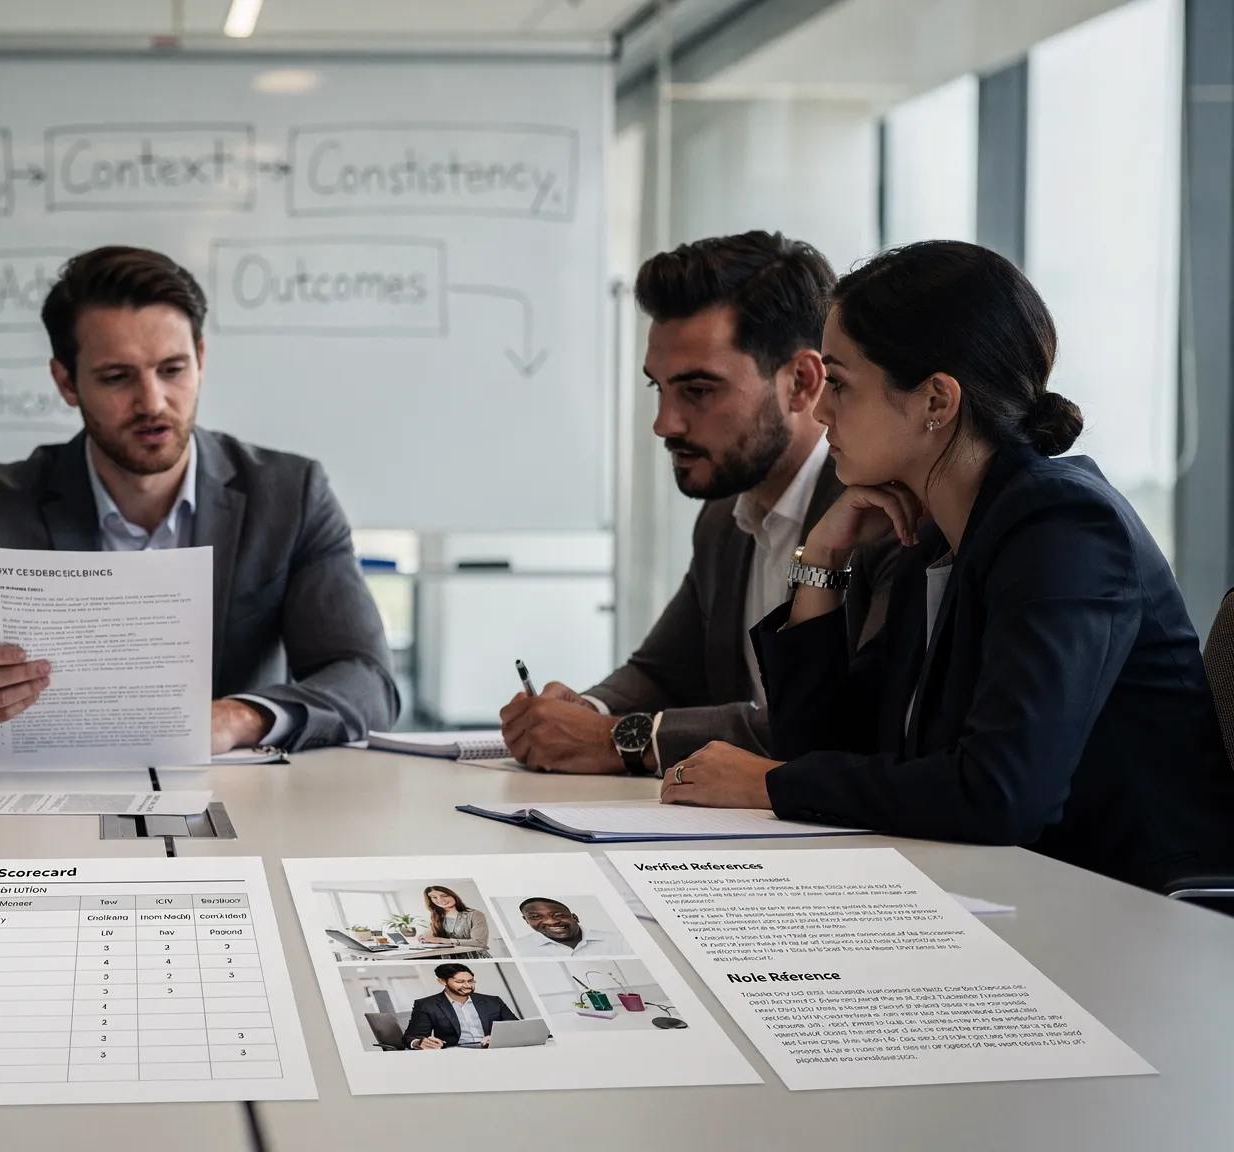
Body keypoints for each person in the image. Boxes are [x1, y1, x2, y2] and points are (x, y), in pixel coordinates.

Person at [660, 240, 1234, 893]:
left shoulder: (1066, 530)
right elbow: (826, 750)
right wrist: (821, 560)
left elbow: (1002, 792)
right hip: (1009, 891)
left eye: (841, 384)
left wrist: (766, 782)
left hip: (1137, 914)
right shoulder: (934, 534)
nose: (820, 411)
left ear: (936, 401)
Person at [0, 245, 399, 754]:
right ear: (66, 382)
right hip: (46, 809)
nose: (152, 403)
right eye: (117, 377)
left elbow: (366, 680)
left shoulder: (289, 495)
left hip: (243, 800)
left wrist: (238, 717)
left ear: (201, 359)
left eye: (172, 370)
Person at [500, 233, 895, 776]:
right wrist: (577, 714)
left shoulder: (878, 517)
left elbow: (839, 729)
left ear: (802, 383)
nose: (665, 423)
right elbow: (663, 672)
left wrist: (618, 739)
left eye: (699, 391)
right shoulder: (724, 517)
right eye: (658, 389)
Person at [403, 964, 520, 1050]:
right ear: (442, 981)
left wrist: (497, 1037)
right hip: (455, 1052)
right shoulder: (427, 1005)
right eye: (460, 982)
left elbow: (515, 1026)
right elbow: (411, 1036)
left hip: (494, 1049)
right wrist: (419, 1043)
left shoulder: (493, 1001)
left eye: (471, 981)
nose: (468, 986)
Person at [514, 897, 625, 957]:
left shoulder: (617, 940)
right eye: (536, 917)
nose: (551, 922)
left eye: (559, 915)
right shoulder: (517, 948)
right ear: (526, 921)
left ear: (575, 917)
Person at [416, 884, 491, 957]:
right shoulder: (436, 917)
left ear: (453, 896)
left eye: (444, 896)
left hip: (475, 957)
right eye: (434, 897)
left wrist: (439, 940)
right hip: (449, 957)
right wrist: (426, 938)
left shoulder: (475, 914)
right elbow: (435, 937)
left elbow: (479, 942)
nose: (440, 900)